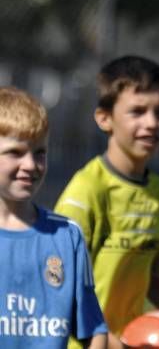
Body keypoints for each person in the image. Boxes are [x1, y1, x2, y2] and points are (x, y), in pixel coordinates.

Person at [54, 57, 159, 349]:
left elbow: (158, 282)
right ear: (104, 119)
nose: (151, 123)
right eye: (137, 111)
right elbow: (60, 289)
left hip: (127, 341)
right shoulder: (87, 191)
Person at [0, 86, 108, 348]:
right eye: (15, 153)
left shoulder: (66, 235)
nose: (30, 165)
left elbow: (93, 330)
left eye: (39, 153)